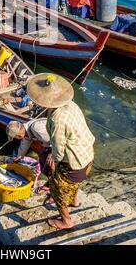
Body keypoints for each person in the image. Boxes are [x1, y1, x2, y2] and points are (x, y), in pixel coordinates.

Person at [26, 73, 95, 231]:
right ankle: (74, 201)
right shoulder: (71, 104)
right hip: (87, 154)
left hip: (75, 161)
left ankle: (66, 221)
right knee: (71, 184)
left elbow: (58, 149)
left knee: (57, 189)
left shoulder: (58, 119)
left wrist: (53, 162)